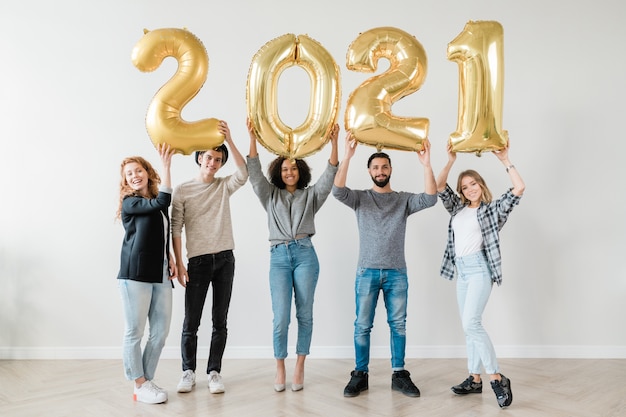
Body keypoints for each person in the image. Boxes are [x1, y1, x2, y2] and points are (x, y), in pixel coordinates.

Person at [332, 133, 437, 398]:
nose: (380, 171)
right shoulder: (360, 198)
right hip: (366, 271)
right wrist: (347, 155)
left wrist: (426, 164)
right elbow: (337, 191)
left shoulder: (402, 200)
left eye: (385, 167)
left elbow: (431, 198)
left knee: (398, 325)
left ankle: (399, 374)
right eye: (376, 167)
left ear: (391, 170)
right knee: (362, 326)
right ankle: (360, 374)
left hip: (396, 273)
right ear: (369, 171)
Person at [246, 118, 339, 392]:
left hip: (305, 255)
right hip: (278, 256)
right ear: (279, 171)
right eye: (285, 168)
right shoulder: (269, 195)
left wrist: (334, 143)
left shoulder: (311, 197)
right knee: (281, 317)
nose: (289, 171)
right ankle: (280, 367)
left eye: (294, 167)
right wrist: (252, 137)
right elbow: (253, 172)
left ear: (300, 171)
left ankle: (300, 365)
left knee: (305, 314)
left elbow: (330, 175)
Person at [435, 142, 525, 408]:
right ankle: (475, 379)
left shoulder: (491, 210)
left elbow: (518, 189)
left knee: (471, 324)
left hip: (479, 271)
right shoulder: (457, 209)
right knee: (468, 327)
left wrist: (505, 160)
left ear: (481, 185)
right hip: (461, 272)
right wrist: (450, 161)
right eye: (464, 186)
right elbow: (439, 186)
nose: (469, 188)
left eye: (473, 183)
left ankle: (496, 378)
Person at [171, 121, 248, 394]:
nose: (212, 163)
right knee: (191, 321)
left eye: (218, 159)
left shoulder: (224, 186)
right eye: (208, 157)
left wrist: (231, 140)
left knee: (220, 319)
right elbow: (175, 227)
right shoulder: (182, 190)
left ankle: (214, 371)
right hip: (198, 262)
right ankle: (188, 371)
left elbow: (244, 172)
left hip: (226, 259)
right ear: (199, 158)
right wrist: (179, 262)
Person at [116, 143, 178, 404]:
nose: (134, 176)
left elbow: (161, 233)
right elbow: (164, 200)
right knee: (135, 332)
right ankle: (139, 382)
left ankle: (145, 381)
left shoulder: (155, 204)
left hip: (161, 272)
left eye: (138, 170)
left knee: (160, 332)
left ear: (146, 172)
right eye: (129, 174)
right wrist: (167, 165)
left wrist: (171, 257)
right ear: (126, 181)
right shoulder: (130, 202)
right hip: (135, 275)